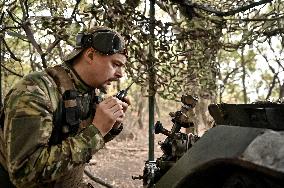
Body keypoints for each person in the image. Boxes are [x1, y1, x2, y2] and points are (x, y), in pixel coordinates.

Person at [0, 26, 130, 187]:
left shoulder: (88, 93)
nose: (120, 74)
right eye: (116, 64)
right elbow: (24, 174)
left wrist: (110, 127)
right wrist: (97, 130)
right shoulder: (35, 91)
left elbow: (76, 142)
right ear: (90, 55)